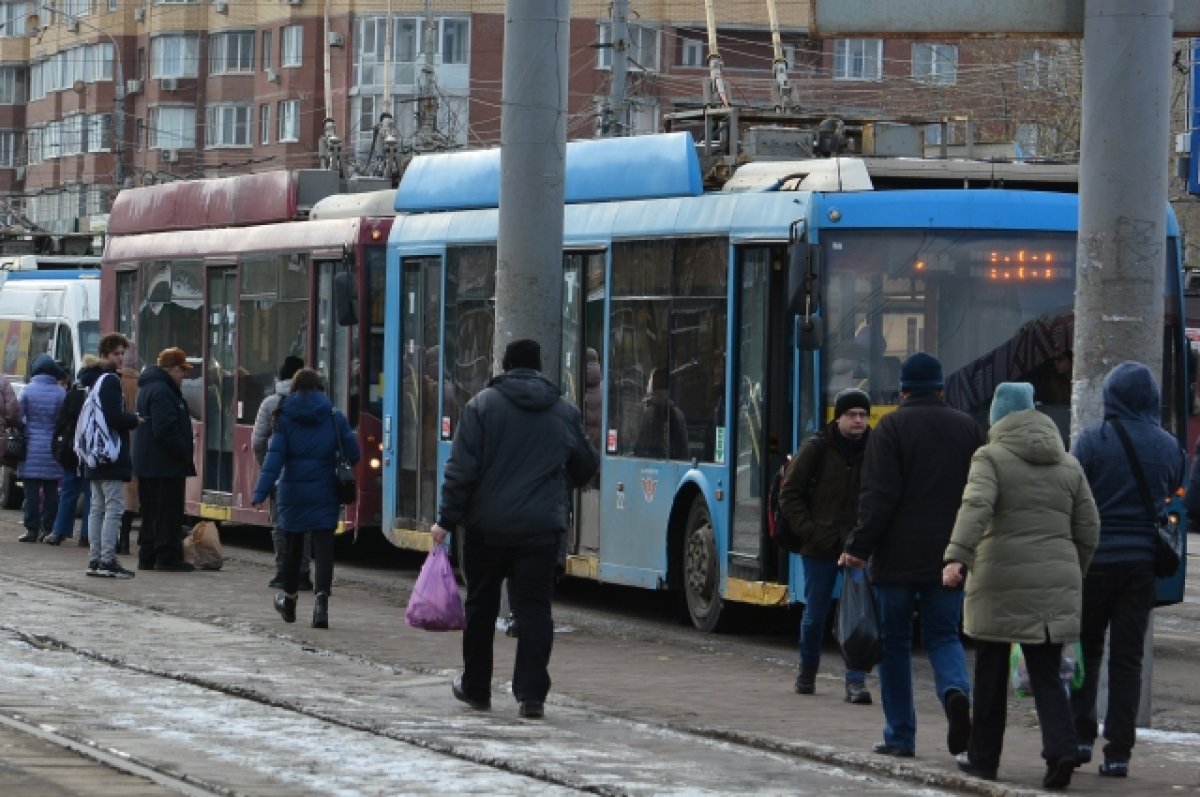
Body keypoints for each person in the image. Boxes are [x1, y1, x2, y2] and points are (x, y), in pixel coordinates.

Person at [431, 339, 599, 719]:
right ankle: (531, 696)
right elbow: (586, 468)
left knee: (480, 605)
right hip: (541, 531)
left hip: (486, 529)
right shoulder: (563, 411)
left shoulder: (480, 407)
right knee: (536, 610)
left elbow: (461, 472)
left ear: (504, 367)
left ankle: (476, 688)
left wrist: (445, 519)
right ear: (540, 368)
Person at [943, 382, 1099, 790]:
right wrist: (1071, 569)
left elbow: (976, 506)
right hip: (1056, 581)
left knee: (991, 671)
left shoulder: (990, 457)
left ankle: (983, 758)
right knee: (1047, 673)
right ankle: (1062, 751)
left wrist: (957, 556)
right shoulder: (1068, 462)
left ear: (997, 416)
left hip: (1000, 580)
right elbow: (1090, 529)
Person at [840, 351, 985, 758]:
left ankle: (900, 735)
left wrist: (859, 547)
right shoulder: (968, 428)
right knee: (943, 634)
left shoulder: (890, 429)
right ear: (941, 388)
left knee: (896, 643)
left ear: (902, 390)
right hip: (949, 558)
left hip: (897, 559)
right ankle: (955, 691)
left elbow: (879, 497)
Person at [1070, 362, 1186, 778]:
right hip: (1140, 565)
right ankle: (1118, 751)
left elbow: (1074, 491)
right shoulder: (1169, 445)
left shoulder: (1091, 441)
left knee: (1085, 648)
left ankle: (1081, 734)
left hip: (1094, 561)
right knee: (1127, 658)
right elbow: (1173, 489)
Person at [779, 387, 873, 704]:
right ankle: (807, 674)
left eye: (863, 415)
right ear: (839, 417)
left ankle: (856, 682)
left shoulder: (876, 448)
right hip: (819, 547)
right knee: (816, 614)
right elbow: (789, 496)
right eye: (852, 415)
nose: (859, 420)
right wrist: (813, 533)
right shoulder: (816, 449)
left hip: (859, 546)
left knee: (859, 616)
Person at [251, 368, 360, 629]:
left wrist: (260, 491)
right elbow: (354, 454)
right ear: (320, 388)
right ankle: (321, 605)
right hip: (325, 490)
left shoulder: (284, 416)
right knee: (324, 549)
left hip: (293, 492)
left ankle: (289, 602)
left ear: (294, 388)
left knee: (293, 547)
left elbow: (273, 459)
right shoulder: (334, 416)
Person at [132, 347, 198, 572]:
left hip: (150, 463)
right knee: (167, 512)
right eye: (182, 370)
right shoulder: (163, 392)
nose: (184, 376)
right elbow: (165, 429)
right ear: (172, 369)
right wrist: (182, 452)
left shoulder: (149, 388)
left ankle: (147, 555)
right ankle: (166, 556)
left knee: (151, 512)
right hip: (164, 464)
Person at [82, 332, 140, 579]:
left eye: (122, 353)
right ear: (105, 354)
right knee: (113, 507)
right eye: (116, 353)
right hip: (109, 452)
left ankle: (95, 558)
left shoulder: (88, 377)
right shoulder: (109, 380)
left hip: (92, 452)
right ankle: (107, 559)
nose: (120, 358)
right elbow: (114, 417)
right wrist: (135, 419)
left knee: (96, 506)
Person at [252, 355, 312, 591]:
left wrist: (266, 466)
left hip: (280, 475)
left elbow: (258, 442)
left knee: (280, 524)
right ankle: (304, 574)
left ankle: (282, 572)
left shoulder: (270, 404)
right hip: (309, 476)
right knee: (305, 526)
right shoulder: (317, 403)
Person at [17, 353, 65, 543]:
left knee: (31, 492)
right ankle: (49, 527)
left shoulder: (27, 391)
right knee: (52, 491)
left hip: (31, 447)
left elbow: (19, 417)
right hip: (54, 448)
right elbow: (65, 420)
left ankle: (31, 529)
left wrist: (25, 429)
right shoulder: (61, 392)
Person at [48, 358, 95, 547]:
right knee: (91, 493)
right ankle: (86, 535)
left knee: (68, 490)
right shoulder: (97, 392)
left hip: (71, 449)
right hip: (90, 449)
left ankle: (59, 531)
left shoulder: (73, 393)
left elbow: (63, 421)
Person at [118, 343, 141, 556]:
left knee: (115, 493)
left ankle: (119, 539)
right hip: (138, 441)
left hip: (118, 441)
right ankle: (126, 538)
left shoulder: (113, 381)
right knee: (132, 493)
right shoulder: (140, 383)